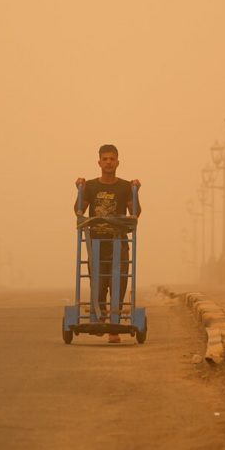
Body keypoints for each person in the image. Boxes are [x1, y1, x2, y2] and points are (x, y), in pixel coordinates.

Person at [74, 144, 141, 344]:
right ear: (99, 162)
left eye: (112, 159)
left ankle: (114, 327)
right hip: (96, 242)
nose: (109, 162)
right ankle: (100, 316)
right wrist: (78, 190)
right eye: (105, 159)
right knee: (99, 283)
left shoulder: (124, 186)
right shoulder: (92, 186)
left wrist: (136, 191)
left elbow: (135, 214)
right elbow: (79, 211)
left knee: (119, 283)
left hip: (118, 243)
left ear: (118, 162)